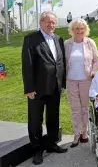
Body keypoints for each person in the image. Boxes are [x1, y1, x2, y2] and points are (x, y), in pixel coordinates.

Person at [21, 11, 68, 165]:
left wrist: (63, 83)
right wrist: (29, 88)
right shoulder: (31, 39)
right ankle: (37, 149)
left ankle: (51, 144)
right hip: (37, 89)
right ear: (41, 22)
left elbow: (61, 62)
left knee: (53, 117)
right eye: (48, 22)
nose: (51, 25)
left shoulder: (58, 39)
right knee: (35, 119)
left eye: (53, 22)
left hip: (55, 86)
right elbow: (27, 65)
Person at [64, 19, 98, 148]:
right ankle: (76, 134)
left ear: (85, 29)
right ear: (72, 30)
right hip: (71, 80)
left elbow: (96, 60)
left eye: (81, 28)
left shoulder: (90, 43)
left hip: (85, 80)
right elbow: (62, 61)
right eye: (76, 29)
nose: (79, 31)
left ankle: (85, 133)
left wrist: (93, 71)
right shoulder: (67, 44)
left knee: (84, 107)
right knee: (75, 109)